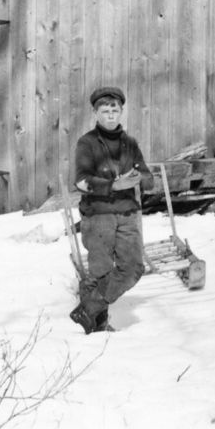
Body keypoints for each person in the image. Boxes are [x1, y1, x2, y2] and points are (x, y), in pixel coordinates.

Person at [70, 86, 154, 334]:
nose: (110, 116)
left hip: (128, 214)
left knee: (133, 268)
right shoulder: (87, 143)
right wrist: (114, 184)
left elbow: (148, 177)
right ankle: (97, 327)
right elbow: (81, 181)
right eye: (104, 111)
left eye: (114, 110)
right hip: (98, 215)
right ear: (95, 113)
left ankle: (88, 308)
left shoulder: (129, 143)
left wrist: (140, 177)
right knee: (100, 272)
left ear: (121, 112)